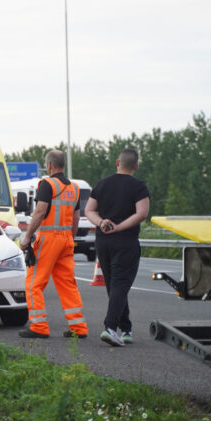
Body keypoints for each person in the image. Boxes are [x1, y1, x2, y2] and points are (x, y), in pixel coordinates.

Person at [19, 150, 89, 339]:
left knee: (34, 283)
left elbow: (40, 212)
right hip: (66, 239)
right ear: (63, 165)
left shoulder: (47, 184)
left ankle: (39, 327)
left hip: (49, 238)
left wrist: (27, 237)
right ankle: (78, 327)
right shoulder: (74, 187)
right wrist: (70, 239)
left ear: (49, 165)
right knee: (68, 284)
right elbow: (76, 217)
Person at [84, 148, 150, 346]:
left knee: (115, 286)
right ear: (136, 166)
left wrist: (102, 222)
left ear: (117, 163)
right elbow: (142, 213)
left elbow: (89, 210)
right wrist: (120, 227)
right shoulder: (138, 186)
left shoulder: (103, 184)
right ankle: (110, 328)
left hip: (103, 242)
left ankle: (126, 329)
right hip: (126, 242)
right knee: (120, 285)